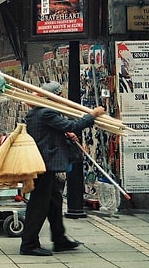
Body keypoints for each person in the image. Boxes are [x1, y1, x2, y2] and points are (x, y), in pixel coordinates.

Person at [20, 81, 105, 256]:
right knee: (39, 204)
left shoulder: (39, 111)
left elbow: (55, 131)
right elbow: (72, 126)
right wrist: (92, 115)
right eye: (61, 95)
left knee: (54, 201)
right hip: (45, 163)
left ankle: (59, 239)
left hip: (44, 161)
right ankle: (29, 244)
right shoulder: (46, 112)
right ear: (56, 96)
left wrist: (64, 133)